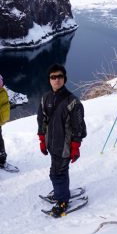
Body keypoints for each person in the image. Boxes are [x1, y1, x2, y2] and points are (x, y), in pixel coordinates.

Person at [37, 64, 87, 216]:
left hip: (65, 146)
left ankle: (62, 200)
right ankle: (61, 191)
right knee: (60, 170)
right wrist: (41, 139)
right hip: (51, 144)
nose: (56, 80)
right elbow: (42, 119)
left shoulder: (73, 102)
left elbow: (78, 126)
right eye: (53, 77)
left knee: (56, 173)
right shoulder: (45, 98)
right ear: (49, 80)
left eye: (59, 76)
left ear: (64, 78)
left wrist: (75, 146)